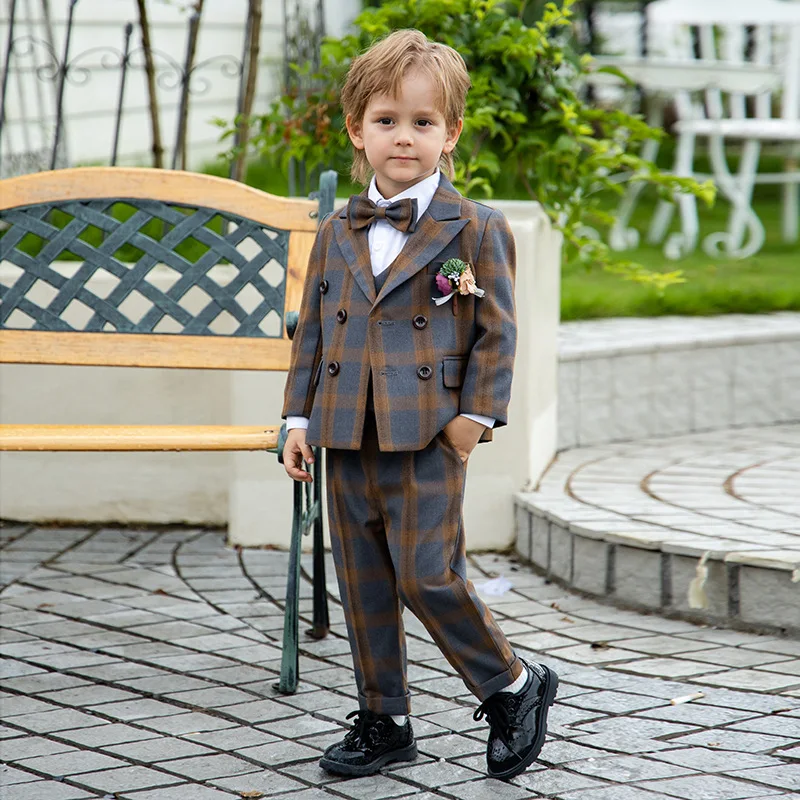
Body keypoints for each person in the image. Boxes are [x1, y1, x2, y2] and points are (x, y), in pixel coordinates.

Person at [281, 28, 557, 781]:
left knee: (427, 574)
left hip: (430, 432)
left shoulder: (474, 228)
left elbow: (497, 330)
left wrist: (476, 418)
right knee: (364, 577)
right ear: (357, 130)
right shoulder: (337, 230)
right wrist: (297, 420)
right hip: (344, 429)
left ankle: (511, 684)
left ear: (451, 133)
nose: (404, 137)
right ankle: (385, 718)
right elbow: (311, 332)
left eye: (423, 123)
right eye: (386, 121)